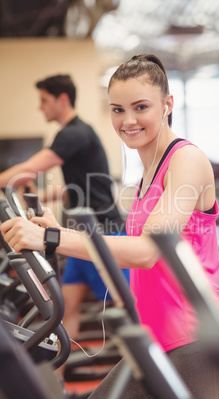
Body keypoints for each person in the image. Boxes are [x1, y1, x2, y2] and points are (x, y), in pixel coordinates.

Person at [1, 55, 219, 399]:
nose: (128, 120)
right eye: (117, 110)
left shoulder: (187, 160)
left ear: (167, 104)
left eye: (140, 107)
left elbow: (149, 252)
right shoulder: (145, 178)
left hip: (199, 343)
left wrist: (52, 237)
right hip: (159, 344)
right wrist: (57, 229)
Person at [0, 74, 128, 345]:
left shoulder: (74, 133)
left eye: (44, 100)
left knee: (131, 308)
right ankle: (59, 378)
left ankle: (149, 373)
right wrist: (43, 195)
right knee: (64, 309)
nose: (40, 107)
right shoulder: (78, 133)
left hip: (103, 234)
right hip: (80, 235)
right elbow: (77, 187)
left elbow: (29, 169)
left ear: (62, 99)